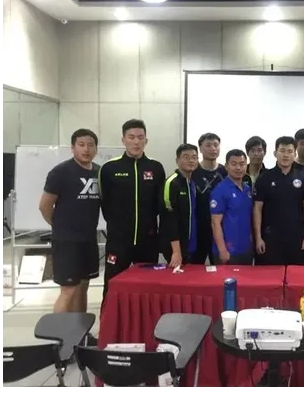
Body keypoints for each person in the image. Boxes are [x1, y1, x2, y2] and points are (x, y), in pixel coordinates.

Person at [39, 129, 100, 345]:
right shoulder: (61, 172)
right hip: (66, 241)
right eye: (81, 144)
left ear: (96, 148)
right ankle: (58, 341)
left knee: (83, 286)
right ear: (72, 147)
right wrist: (60, 227)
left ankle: (80, 334)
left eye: (90, 145)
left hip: (88, 240)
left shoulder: (99, 172)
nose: (86, 149)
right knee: (68, 289)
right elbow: (45, 206)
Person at [98, 119, 166, 300]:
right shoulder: (109, 168)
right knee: (112, 283)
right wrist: (118, 225)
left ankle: (147, 318)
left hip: (147, 241)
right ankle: (108, 318)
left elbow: (159, 204)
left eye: (140, 137)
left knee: (148, 286)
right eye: (132, 137)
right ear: (123, 140)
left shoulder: (156, 168)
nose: (136, 142)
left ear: (146, 140)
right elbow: (104, 202)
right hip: (118, 241)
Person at [254, 136, 304, 265]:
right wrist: (258, 238)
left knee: (296, 274)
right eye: (282, 151)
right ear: (275, 153)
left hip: (297, 238)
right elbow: (257, 209)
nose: (286, 155)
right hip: (270, 238)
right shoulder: (264, 178)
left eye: (290, 151)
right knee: (271, 274)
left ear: (295, 154)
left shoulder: (303, 178)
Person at [210, 149, 254, 265]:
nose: (238, 168)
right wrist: (222, 250)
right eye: (234, 164)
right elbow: (215, 223)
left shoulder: (247, 189)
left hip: (245, 249)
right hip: (228, 251)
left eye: (242, 164)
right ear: (226, 166)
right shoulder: (220, 190)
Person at [158, 144, 199, 268]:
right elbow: (168, 218)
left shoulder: (192, 182)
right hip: (175, 246)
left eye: (194, 157)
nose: (191, 160)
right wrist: (176, 252)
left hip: (191, 244)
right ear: (177, 160)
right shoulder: (171, 183)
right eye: (186, 157)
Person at [191, 133, 227, 264]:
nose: (213, 149)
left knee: (220, 269)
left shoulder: (225, 171)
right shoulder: (192, 171)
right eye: (208, 145)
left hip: (220, 230)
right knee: (193, 269)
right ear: (200, 148)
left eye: (216, 145)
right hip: (197, 229)